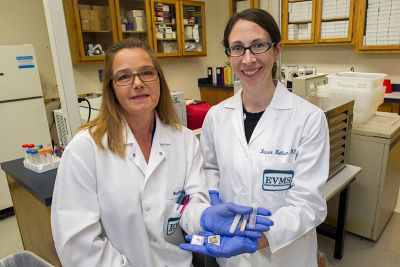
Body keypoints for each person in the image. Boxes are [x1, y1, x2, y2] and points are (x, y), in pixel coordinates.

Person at [50, 38, 214, 267]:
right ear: (111, 88)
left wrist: (206, 217)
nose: (138, 83)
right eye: (124, 76)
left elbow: (193, 204)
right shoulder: (85, 149)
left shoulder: (184, 141)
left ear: (159, 80)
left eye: (147, 72)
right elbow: (77, 243)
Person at [198, 9, 330, 267]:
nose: (248, 59)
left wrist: (256, 239)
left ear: (276, 50)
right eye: (237, 48)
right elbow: (210, 168)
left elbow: (308, 204)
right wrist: (211, 196)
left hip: (287, 256)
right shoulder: (216, 116)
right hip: (233, 256)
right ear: (229, 55)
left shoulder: (308, 119)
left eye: (258, 45)